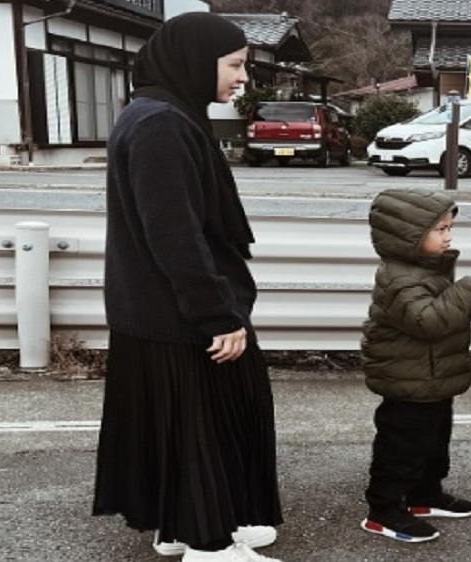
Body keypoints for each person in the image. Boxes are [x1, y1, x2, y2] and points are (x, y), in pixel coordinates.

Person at [92, 12, 283, 562]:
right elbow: (174, 235)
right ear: (194, 62)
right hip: (177, 315)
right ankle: (209, 544)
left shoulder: (162, 114)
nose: (243, 77)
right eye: (235, 64)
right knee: (202, 427)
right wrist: (217, 315)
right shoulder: (162, 125)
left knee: (184, 425)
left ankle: (185, 527)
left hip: (159, 312)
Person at [360, 188, 471, 543]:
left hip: (433, 380)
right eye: (441, 229)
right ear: (410, 236)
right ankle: (383, 510)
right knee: (402, 448)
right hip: (407, 382)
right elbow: (428, 321)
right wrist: (469, 287)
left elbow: (454, 310)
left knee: (433, 443)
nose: (449, 236)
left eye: (450, 228)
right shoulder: (399, 279)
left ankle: (424, 495)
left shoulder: (426, 269)